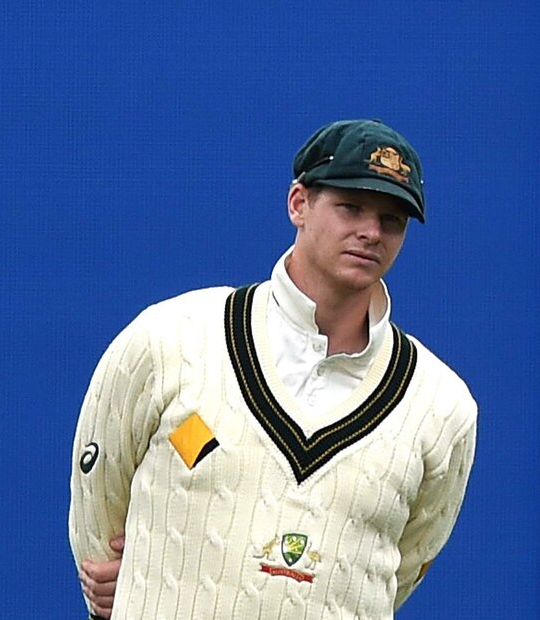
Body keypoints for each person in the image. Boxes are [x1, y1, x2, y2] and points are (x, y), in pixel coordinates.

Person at [70, 119, 477, 620]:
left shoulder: (440, 404)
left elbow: (402, 566)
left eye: (392, 220)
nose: (371, 232)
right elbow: (98, 505)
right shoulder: (171, 338)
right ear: (298, 204)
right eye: (350, 207)